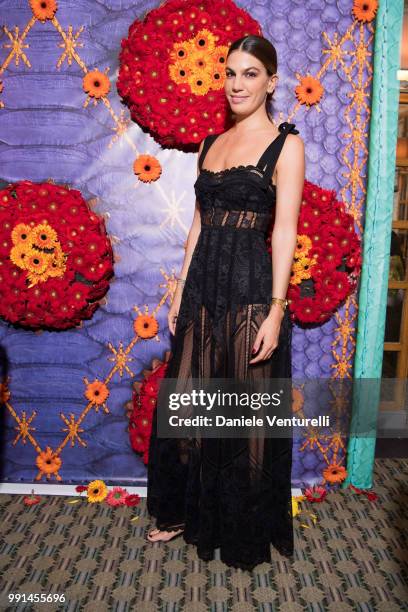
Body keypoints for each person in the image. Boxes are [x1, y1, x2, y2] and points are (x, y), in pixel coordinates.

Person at [146, 34, 305, 571]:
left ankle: (241, 527)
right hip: (202, 291)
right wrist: (179, 287)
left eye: (250, 73)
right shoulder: (210, 143)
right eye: (230, 73)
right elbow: (197, 227)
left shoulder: (286, 144)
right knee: (188, 404)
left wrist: (277, 308)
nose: (237, 83)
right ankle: (181, 512)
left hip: (249, 290)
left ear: (271, 81)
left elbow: (284, 232)